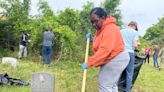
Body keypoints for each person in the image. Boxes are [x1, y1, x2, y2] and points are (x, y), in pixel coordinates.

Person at [82, 7, 130, 92]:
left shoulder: (110, 28)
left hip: (116, 58)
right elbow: (103, 41)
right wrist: (92, 39)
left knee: (104, 84)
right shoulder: (102, 28)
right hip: (117, 57)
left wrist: (89, 63)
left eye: (95, 21)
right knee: (111, 85)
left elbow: (105, 49)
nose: (93, 24)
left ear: (103, 18)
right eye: (92, 22)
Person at [120, 21, 139, 92]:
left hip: (121, 52)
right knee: (129, 73)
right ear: (135, 26)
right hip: (130, 53)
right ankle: (127, 90)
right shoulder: (135, 32)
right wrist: (136, 49)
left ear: (128, 25)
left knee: (118, 71)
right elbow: (135, 45)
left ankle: (115, 89)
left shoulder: (121, 31)